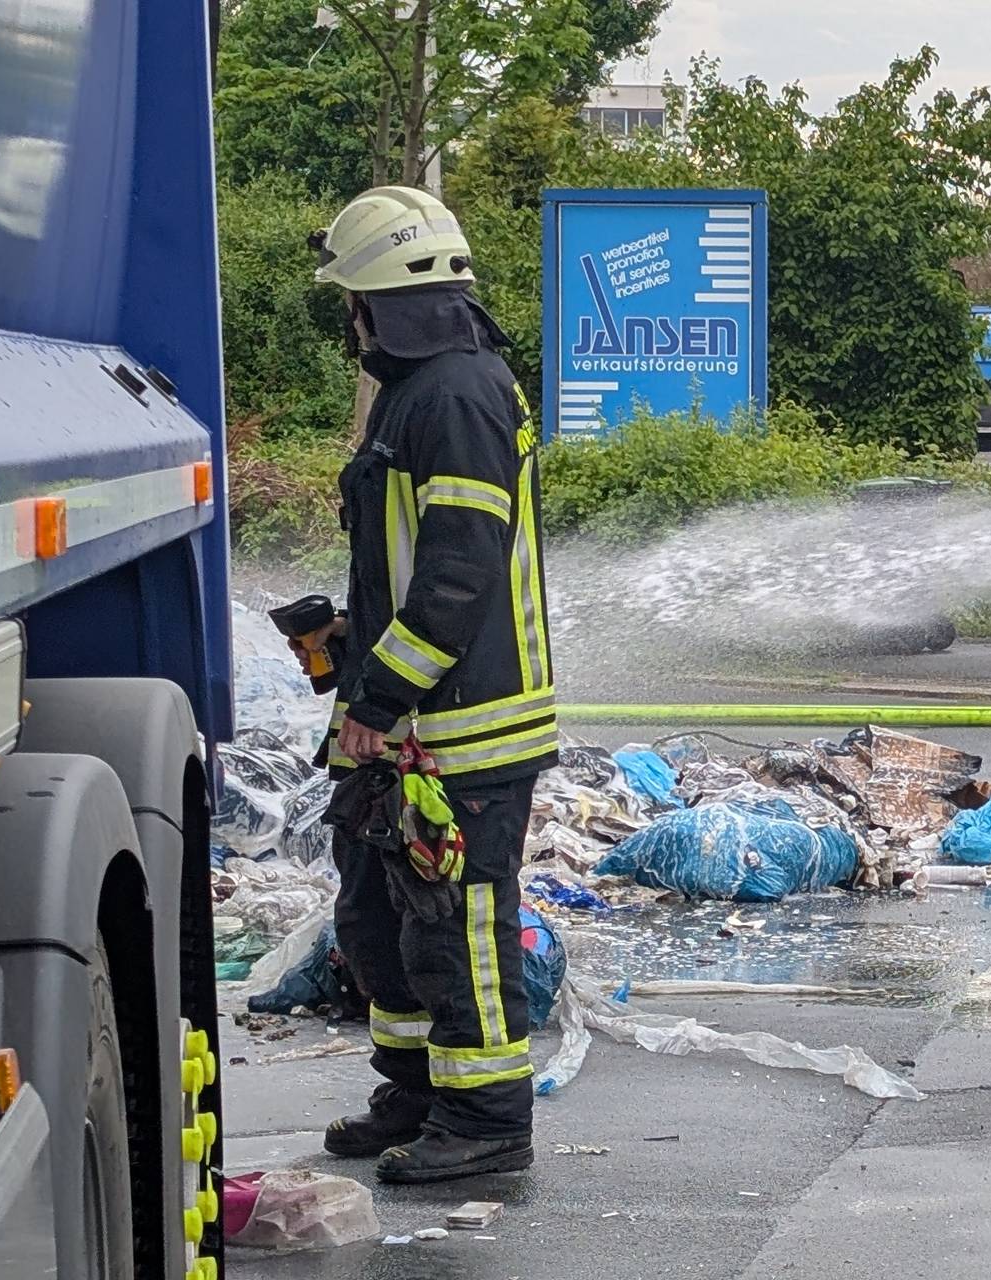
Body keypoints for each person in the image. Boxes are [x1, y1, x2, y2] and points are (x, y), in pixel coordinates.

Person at [290, 185, 558, 1183]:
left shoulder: (454, 396)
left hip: (464, 730)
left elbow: (458, 571)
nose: (348, 323)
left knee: (458, 922)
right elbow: (418, 565)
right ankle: (413, 1086)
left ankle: (486, 1117)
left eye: (348, 303)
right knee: (376, 909)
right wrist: (353, 641)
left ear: (374, 303)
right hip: (409, 721)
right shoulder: (420, 392)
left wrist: (375, 700)